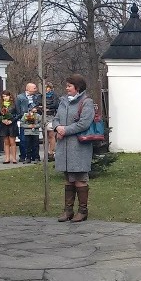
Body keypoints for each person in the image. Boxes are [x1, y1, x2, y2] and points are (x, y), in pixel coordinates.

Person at [52, 74, 95, 223]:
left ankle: (83, 211)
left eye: (69, 86)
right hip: (64, 147)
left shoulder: (86, 102)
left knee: (80, 179)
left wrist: (66, 130)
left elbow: (84, 123)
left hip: (79, 147)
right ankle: (68, 210)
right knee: (68, 180)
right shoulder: (63, 102)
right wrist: (57, 127)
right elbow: (56, 118)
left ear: (78, 87)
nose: (67, 88)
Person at [15, 83, 41, 163]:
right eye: (34, 88)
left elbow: (40, 107)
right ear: (28, 88)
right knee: (23, 139)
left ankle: (35, 156)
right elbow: (17, 108)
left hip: (35, 120)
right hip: (25, 119)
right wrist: (21, 117)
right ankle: (23, 156)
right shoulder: (20, 97)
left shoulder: (37, 97)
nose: (36, 89)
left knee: (35, 140)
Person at [0, 91, 18, 164]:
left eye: (6, 96)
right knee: (6, 142)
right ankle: (7, 158)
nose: (5, 98)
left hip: (12, 125)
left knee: (12, 141)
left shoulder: (14, 104)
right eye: (3, 96)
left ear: (10, 96)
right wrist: (2, 120)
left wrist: (11, 120)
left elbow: (18, 114)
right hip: (4, 125)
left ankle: (14, 158)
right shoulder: (0, 105)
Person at [45, 84, 59, 159]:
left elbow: (55, 104)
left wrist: (47, 107)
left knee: (51, 135)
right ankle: (46, 152)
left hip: (51, 116)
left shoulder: (54, 95)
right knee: (45, 136)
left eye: (47, 87)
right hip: (43, 116)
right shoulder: (41, 96)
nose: (46, 89)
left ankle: (51, 152)